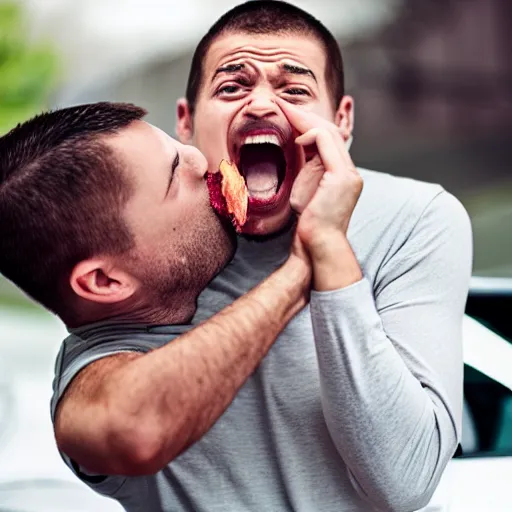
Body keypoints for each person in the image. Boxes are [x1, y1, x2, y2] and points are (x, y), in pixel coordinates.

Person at [45, 2, 472, 512]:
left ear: (341, 121)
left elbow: (405, 482)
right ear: (186, 121)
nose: (261, 106)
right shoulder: (150, 249)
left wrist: (331, 248)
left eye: (295, 89)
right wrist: (303, 265)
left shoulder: (416, 218)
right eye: (231, 87)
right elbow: (116, 422)